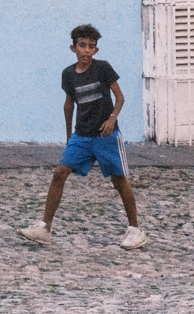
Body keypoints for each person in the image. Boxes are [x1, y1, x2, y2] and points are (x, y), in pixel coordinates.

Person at [19, 24, 147, 250]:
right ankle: (44, 228)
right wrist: (69, 137)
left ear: (96, 50)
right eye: (82, 46)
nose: (87, 51)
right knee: (59, 173)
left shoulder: (103, 69)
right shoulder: (68, 74)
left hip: (106, 137)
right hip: (82, 136)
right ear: (73, 47)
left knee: (119, 180)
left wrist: (112, 119)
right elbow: (69, 105)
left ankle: (135, 230)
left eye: (92, 47)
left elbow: (120, 97)